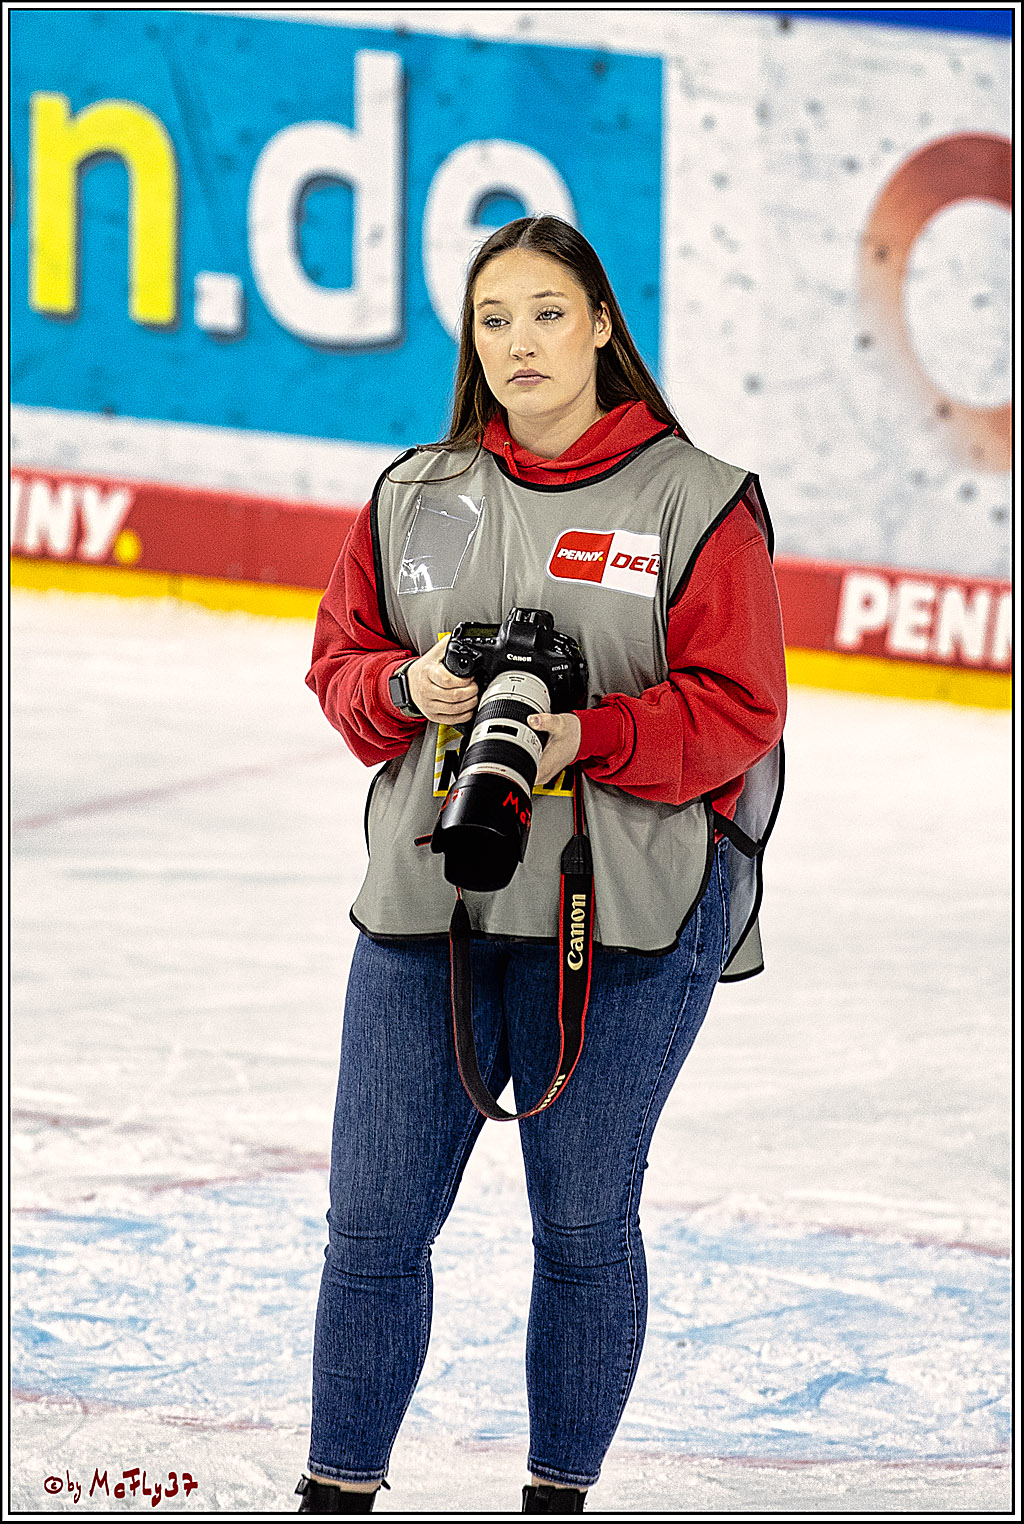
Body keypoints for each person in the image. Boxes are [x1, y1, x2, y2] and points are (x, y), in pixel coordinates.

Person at [296, 215, 787, 1515]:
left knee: (579, 1229)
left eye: (549, 313)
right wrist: (416, 681)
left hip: (624, 921)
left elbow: (740, 711)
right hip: (428, 903)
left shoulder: (696, 500)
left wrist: (588, 733)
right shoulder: (416, 493)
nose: (520, 342)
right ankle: (332, 1496)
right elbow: (341, 677)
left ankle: (554, 1502)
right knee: (372, 1233)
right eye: (494, 318)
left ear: (604, 326)